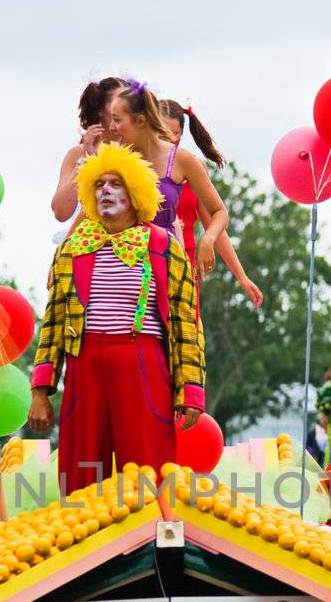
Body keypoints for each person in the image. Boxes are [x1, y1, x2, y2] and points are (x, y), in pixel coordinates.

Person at [28, 142, 204, 491]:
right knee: (82, 470)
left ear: (136, 192)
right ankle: (84, 539)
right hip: (84, 363)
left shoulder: (163, 246)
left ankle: (151, 540)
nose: (105, 190)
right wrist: (41, 390)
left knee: (148, 469)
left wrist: (191, 391)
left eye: (116, 183)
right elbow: (53, 323)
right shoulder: (72, 246)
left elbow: (185, 323)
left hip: (142, 360)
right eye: (98, 184)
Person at [109, 81, 227, 278]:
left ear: (140, 121)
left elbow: (219, 212)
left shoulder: (182, 160)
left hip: (167, 267)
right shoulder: (114, 159)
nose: (112, 127)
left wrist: (208, 239)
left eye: (117, 119)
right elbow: (89, 215)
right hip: (121, 269)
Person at [160, 99, 263, 308]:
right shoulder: (140, 165)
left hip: (184, 270)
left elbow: (215, 221)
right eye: (162, 133)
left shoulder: (192, 167)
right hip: (147, 265)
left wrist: (241, 276)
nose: (169, 141)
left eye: (175, 135)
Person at [50, 76, 122, 225]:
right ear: (101, 110)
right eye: (118, 103)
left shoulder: (140, 150)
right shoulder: (78, 153)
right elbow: (60, 212)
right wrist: (86, 159)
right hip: (88, 243)